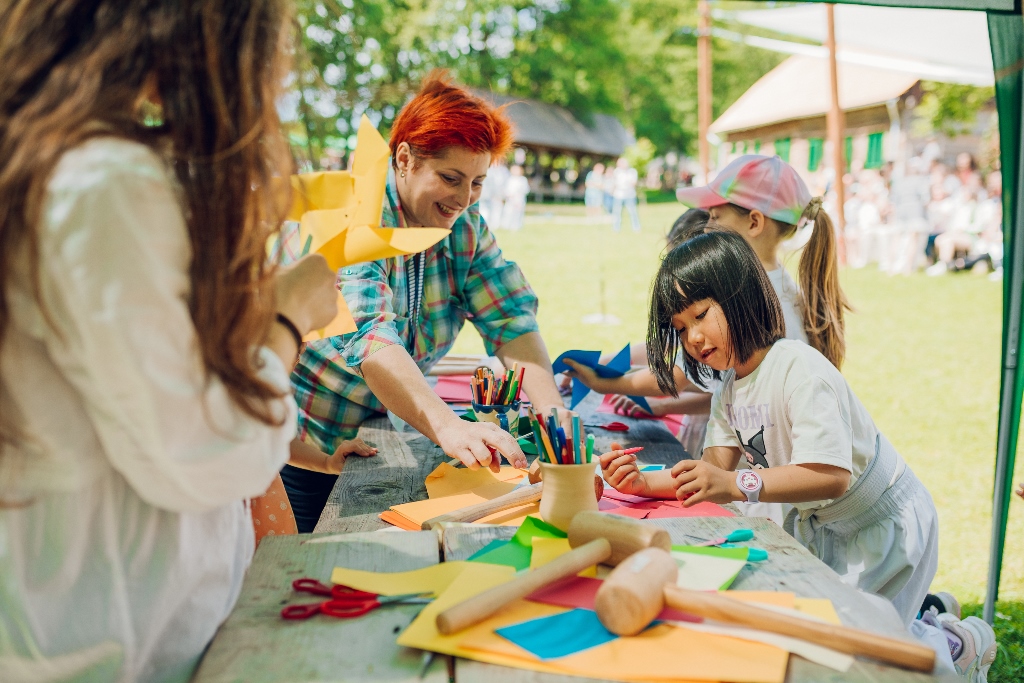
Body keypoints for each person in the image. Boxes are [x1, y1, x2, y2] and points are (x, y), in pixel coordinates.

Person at [0, 1, 341, 679]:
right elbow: (203, 454)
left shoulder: (51, 157)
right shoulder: (103, 182)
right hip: (116, 647)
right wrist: (289, 319)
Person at [278, 73, 573, 532]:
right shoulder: (358, 213)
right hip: (306, 448)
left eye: (477, 182)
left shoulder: (467, 225)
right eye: (450, 178)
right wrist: (448, 425)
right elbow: (369, 334)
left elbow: (511, 318)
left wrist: (554, 415)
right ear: (403, 159)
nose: (463, 199)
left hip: (386, 438)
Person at [601, 230, 939, 627]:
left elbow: (830, 476)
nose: (692, 337)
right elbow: (710, 473)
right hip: (829, 527)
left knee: (876, 645)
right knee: (829, 629)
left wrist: (735, 484)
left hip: (885, 530)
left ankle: (955, 641)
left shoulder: (800, 369)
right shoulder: (729, 386)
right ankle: (934, 620)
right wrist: (642, 484)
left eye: (700, 315)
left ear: (739, 294)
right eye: (679, 328)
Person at [611, 157, 641, 232]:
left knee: (632, 212)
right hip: (618, 195)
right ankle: (616, 228)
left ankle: (636, 227)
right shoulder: (617, 172)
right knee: (617, 212)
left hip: (629, 195)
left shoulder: (632, 172)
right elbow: (614, 183)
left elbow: (634, 183)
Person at [500, 164, 530, 231]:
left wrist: (518, 195)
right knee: (508, 212)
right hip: (510, 200)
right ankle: (506, 225)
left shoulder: (523, 180)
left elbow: (525, 190)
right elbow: (506, 189)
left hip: (519, 200)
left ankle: (516, 226)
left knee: (517, 214)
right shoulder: (510, 179)